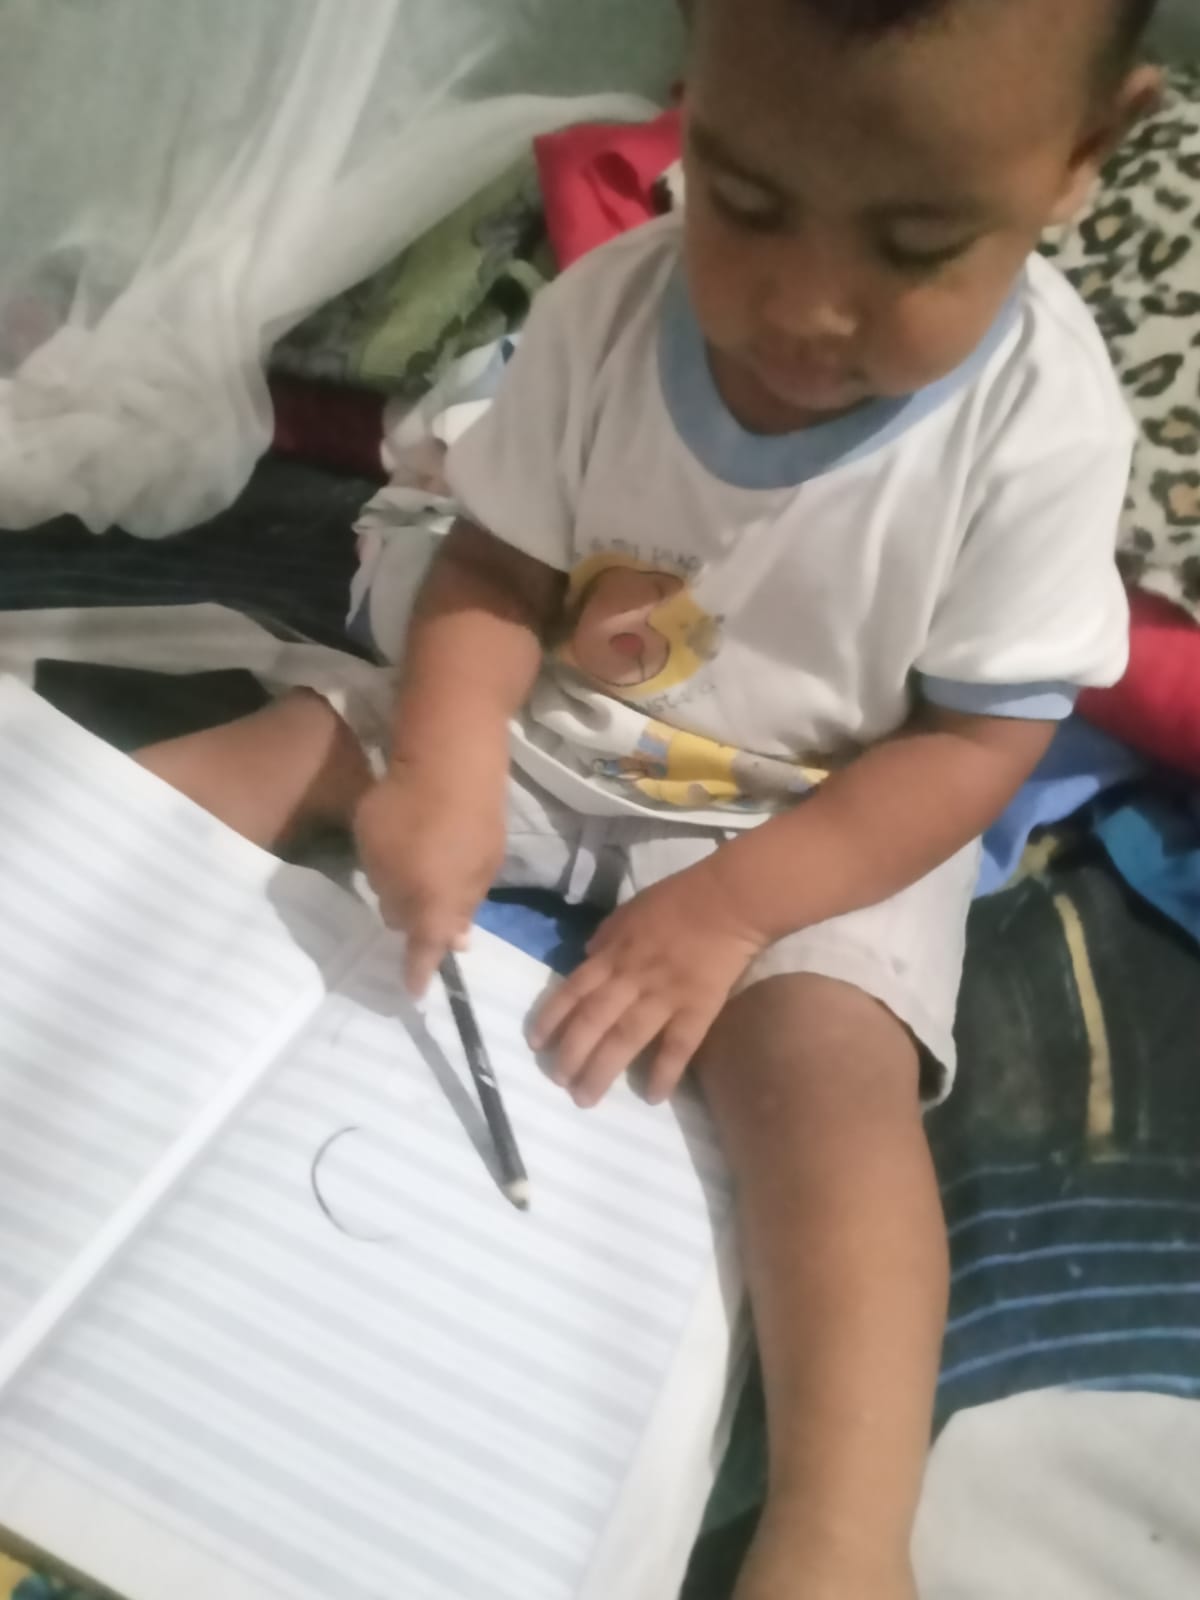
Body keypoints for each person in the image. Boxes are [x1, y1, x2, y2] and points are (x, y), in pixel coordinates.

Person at [140, 1, 1160, 1593]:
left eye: (914, 245)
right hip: (558, 722)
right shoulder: (608, 310)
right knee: (305, 736)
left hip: (817, 816)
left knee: (833, 1082)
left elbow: (973, 747)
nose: (803, 309)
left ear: (1083, 157)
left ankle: (841, 1529)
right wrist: (450, 767)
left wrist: (737, 910)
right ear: (694, 78)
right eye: (745, 199)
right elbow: (492, 574)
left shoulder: (1042, 423)